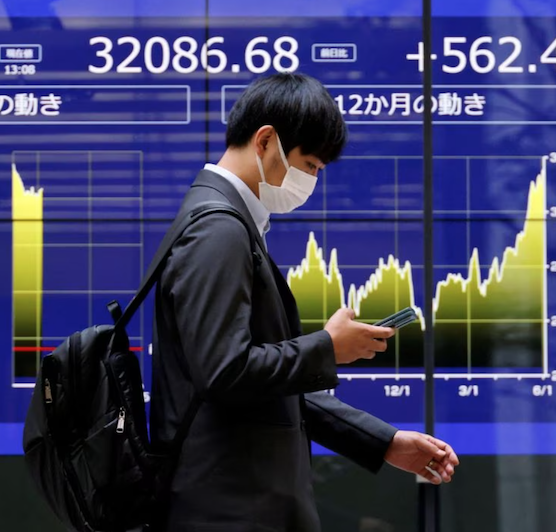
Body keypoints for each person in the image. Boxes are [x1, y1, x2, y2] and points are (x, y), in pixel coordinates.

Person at [149, 72, 459, 532]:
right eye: (310, 165)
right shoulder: (219, 230)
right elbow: (224, 371)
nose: (312, 180)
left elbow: (266, 388)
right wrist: (327, 348)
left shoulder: (230, 224)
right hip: (228, 510)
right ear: (266, 141)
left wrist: (383, 442)